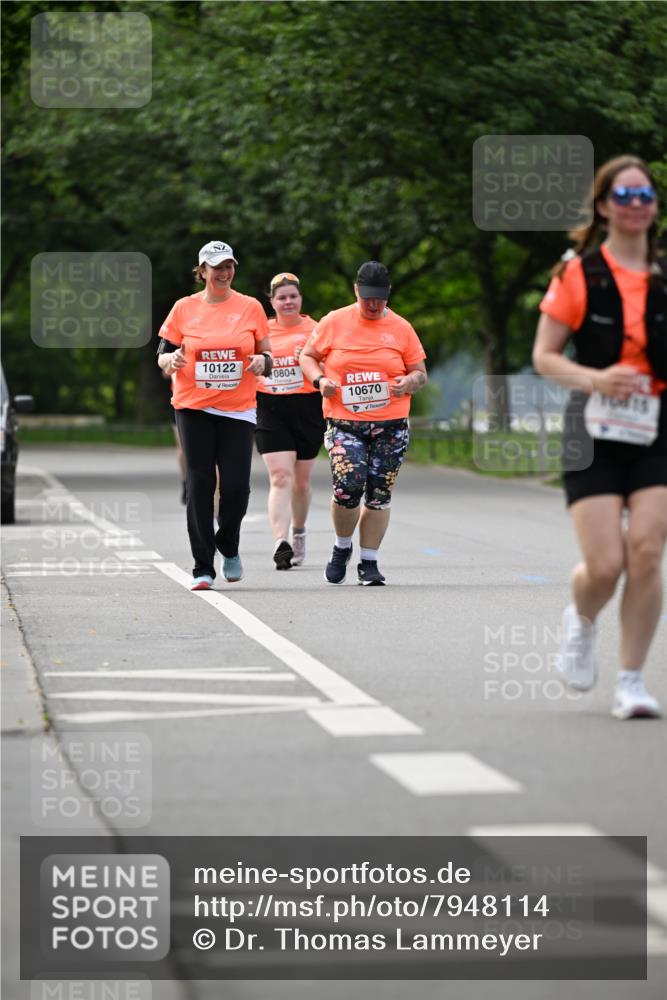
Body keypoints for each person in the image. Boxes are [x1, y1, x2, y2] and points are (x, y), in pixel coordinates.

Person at [533, 155, 667, 719]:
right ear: (604, 205)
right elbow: (544, 357)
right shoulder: (577, 275)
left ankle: (631, 681)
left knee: (647, 552)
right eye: (624, 196)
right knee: (606, 564)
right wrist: (596, 379)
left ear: (654, 206)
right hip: (592, 428)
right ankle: (581, 621)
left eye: (645, 196)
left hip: (658, 427)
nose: (635, 206)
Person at [300, 260, 427, 586]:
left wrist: (408, 383)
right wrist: (319, 381)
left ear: (388, 294)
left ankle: (368, 562)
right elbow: (307, 356)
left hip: (391, 423)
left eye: (379, 299)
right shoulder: (335, 321)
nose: (373, 305)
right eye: (367, 297)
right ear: (356, 291)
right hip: (345, 421)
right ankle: (342, 547)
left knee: (379, 493)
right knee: (349, 485)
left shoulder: (401, 328)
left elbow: (420, 373)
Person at [157, 240, 272, 590]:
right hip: (193, 405)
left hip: (238, 409)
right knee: (200, 482)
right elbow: (162, 354)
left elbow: (268, 356)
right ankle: (202, 567)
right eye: (216, 266)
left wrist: (260, 362)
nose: (224, 272)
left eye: (229, 266)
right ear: (202, 271)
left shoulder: (250, 307)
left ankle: (229, 543)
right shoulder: (184, 308)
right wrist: (170, 361)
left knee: (236, 486)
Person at [256, 272, 325, 569]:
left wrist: (311, 360)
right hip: (270, 407)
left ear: (300, 299)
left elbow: (335, 365)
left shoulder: (317, 329)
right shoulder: (261, 331)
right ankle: (280, 542)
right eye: (281, 297)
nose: (287, 302)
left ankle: (299, 532)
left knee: (300, 481)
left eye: (292, 296)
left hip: (308, 406)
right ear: (271, 302)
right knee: (280, 477)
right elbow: (250, 360)